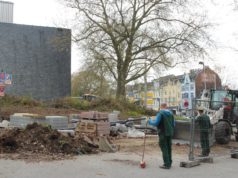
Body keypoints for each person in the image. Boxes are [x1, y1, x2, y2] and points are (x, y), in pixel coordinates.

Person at [148, 103, 175, 169]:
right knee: (169, 147)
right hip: (170, 133)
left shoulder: (160, 113)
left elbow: (156, 123)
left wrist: (150, 121)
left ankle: (166, 164)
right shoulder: (171, 114)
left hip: (163, 133)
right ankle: (170, 162)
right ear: (166, 107)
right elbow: (174, 124)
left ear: (161, 107)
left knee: (164, 147)